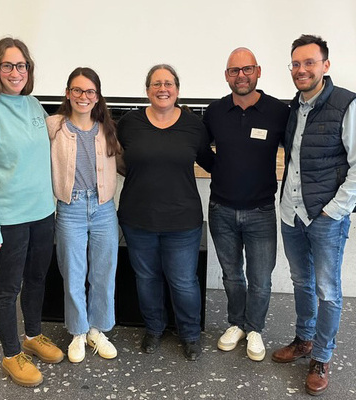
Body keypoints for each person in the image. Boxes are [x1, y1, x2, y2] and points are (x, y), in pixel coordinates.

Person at [272, 34, 356, 396]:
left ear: (325, 65)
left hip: (325, 218)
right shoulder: (294, 107)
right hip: (292, 214)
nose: (301, 70)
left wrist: (333, 213)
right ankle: (304, 339)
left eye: (309, 63)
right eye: (296, 64)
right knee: (301, 282)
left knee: (327, 290)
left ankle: (322, 356)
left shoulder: (347, 105)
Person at [0, 37, 63, 387]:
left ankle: (33, 336)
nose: (16, 72)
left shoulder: (33, 105)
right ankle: (11, 354)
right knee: (7, 291)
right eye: (8, 65)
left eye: (22, 66)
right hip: (7, 222)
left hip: (42, 215)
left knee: (37, 280)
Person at [117, 64, 214, 361]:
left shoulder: (193, 125)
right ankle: (154, 329)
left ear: (177, 89)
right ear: (147, 90)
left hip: (182, 222)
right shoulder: (129, 123)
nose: (163, 89)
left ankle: (190, 334)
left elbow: (211, 162)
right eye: (156, 84)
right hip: (137, 219)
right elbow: (116, 159)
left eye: (168, 83)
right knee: (147, 278)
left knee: (183, 281)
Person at [203, 47, 289, 361]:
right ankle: (236, 323)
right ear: (227, 76)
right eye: (234, 70)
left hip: (261, 211)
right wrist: (221, 169)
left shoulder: (278, 112)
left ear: (258, 71)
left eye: (247, 69)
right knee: (231, 275)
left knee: (261, 278)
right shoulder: (214, 111)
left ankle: (254, 328)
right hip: (221, 209)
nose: (241, 76)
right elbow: (200, 149)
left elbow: (295, 153)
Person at [46, 67, 121, 364]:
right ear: (67, 93)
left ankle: (96, 330)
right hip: (71, 208)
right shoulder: (54, 127)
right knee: (73, 273)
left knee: (103, 272)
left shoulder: (107, 128)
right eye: (77, 90)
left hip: (103, 209)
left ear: (97, 96)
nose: (83, 96)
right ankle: (77, 331)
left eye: (90, 91)